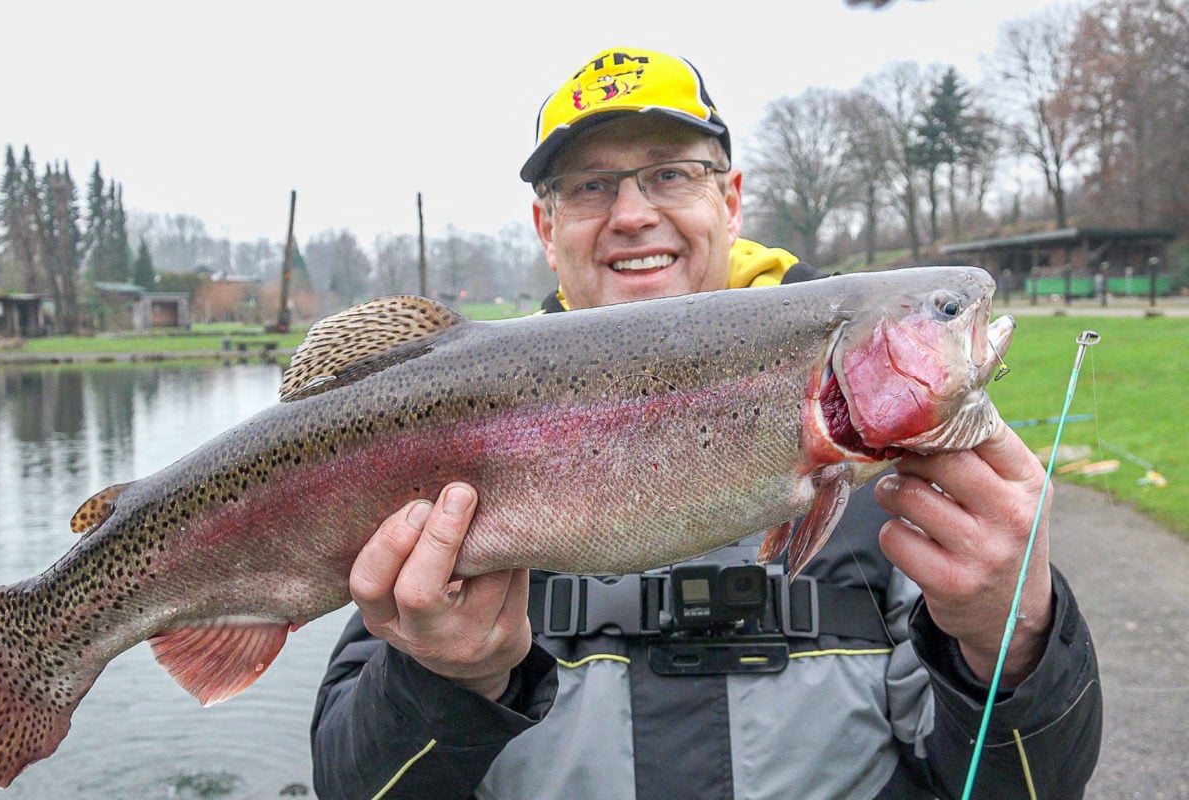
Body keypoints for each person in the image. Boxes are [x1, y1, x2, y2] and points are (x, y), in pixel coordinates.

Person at [311, 47, 1102, 799]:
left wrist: (1018, 638)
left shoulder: (905, 483)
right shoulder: (447, 424)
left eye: (669, 174)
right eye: (589, 187)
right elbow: (349, 786)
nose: (631, 214)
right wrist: (443, 676)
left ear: (729, 202)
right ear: (545, 231)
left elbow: (1032, 788)